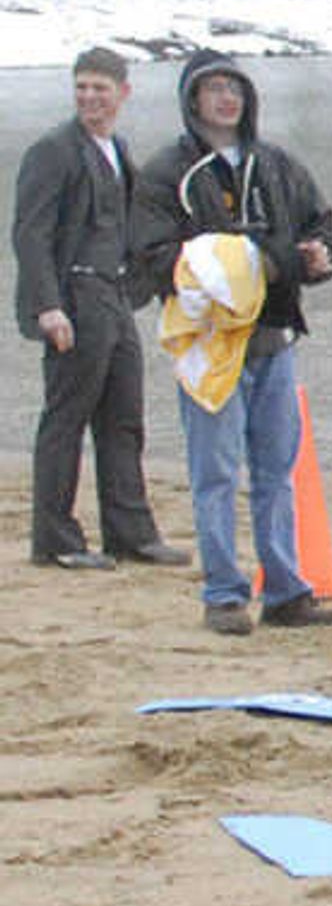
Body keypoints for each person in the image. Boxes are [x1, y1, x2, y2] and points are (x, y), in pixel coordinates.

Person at [130, 49, 332, 633]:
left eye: (235, 88)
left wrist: (320, 258)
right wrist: (248, 264)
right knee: (216, 473)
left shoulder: (277, 165)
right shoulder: (165, 173)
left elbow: (317, 224)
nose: (227, 98)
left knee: (277, 469)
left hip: (274, 338)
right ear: (192, 99)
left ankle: (285, 590)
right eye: (214, 88)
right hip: (210, 347)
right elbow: (152, 256)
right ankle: (223, 593)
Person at [18, 47, 180, 572]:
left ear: (122, 94)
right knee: (66, 419)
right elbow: (31, 234)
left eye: (100, 89)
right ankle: (55, 538)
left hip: (113, 297)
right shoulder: (53, 151)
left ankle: (130, 533)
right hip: (74, 297)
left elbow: (133, 224)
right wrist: (48, 306)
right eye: (81, 87)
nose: (89, 97)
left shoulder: (117, 150)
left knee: (123, 420)